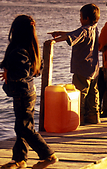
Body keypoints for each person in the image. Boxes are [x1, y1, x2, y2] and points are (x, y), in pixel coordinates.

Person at [0, 15, 58, 169]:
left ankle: (48, 155)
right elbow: (36, 71)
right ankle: (19, 159)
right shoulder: (31, 48)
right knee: (23, 125)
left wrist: (8, 74)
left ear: (15, 31)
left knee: (24, 128)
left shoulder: (19, 50)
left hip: (22, 94)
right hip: (28, 92)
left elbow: (22, 73)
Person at [48, 3, 101, 125]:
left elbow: (72, 36)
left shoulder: (84, 30)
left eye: (81, 17)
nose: (80, 19)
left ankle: (79, 117)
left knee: (80, 93)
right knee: (94, 94)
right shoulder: (94, 28)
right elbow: (75, 34)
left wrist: (53, 41)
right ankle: (94, 116)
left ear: (86, 18)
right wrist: (61, 33)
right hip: (94, 69)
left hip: (82, 69)